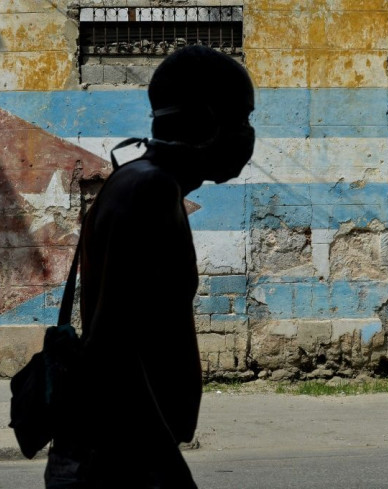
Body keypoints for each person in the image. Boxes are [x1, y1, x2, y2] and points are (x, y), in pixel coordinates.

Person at [44, 45, 255, 488]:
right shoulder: (150, 192)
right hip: (129, 453)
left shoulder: (141, 181)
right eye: (241, 119)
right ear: (206, 122)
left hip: (132, 446)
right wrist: (161, 469)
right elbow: (114, 343)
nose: (247, 135)